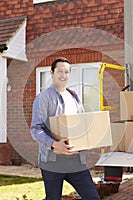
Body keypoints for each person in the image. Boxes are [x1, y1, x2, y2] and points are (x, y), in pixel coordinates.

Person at [30, 57, 100, 200]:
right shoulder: (43, 98)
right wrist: (55, 144)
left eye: (66, 72)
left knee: (93, 197)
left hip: (75, 160)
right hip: (52, 161)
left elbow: (80, 125)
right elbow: (36, 129)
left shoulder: (75, 97)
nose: (63, 75)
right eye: (60, 71)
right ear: (52, 73)